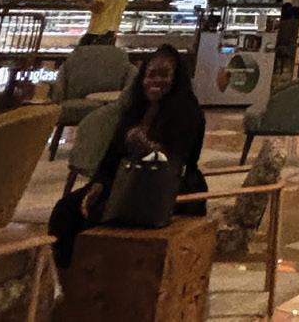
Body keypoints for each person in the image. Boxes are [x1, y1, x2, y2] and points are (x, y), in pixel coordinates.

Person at [48, 44, 206, 271]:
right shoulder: (135, 109)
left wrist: (148, 148)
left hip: (170, 185)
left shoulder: (187, 112)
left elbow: (177, 160)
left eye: (164, 75)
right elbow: (114, 154)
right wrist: (99, 183)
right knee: (66, 211)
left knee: (107, 214)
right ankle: (70, 276)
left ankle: (107, 275)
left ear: (176, 78)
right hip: (128, 178)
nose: (156, 81)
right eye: (151, 75)